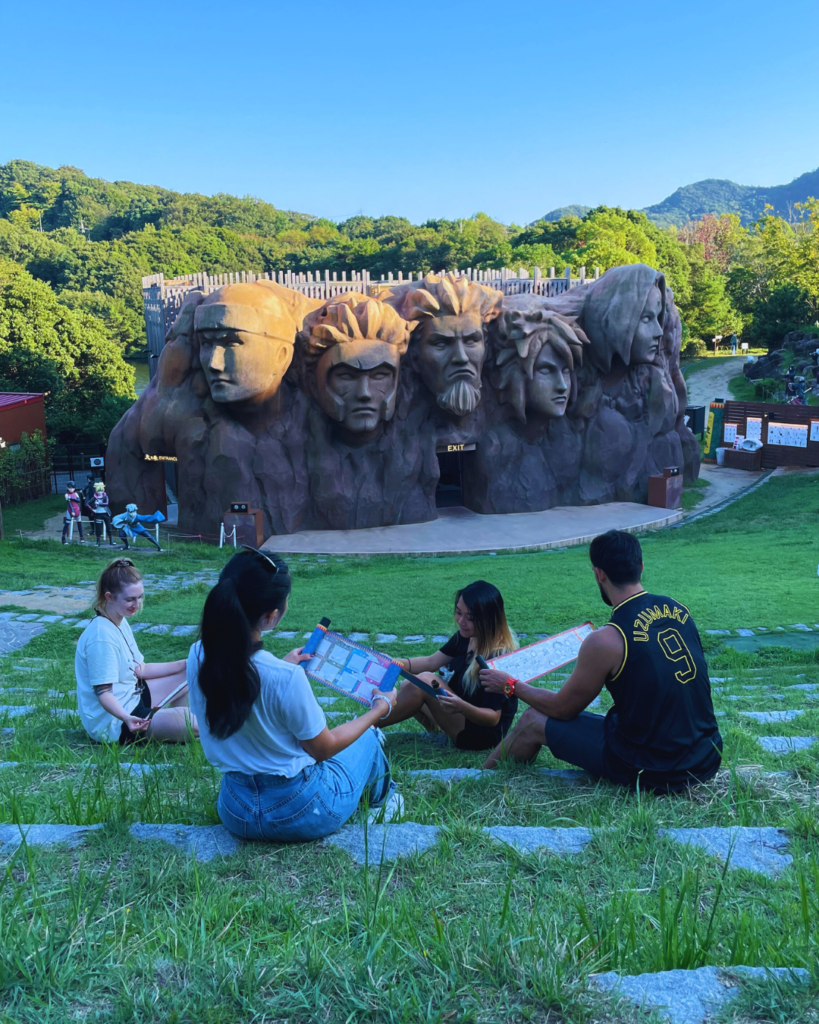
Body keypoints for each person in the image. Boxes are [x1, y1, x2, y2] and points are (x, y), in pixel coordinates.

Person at [480, 530, 722, 792]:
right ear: (640, 566)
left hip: (654, 770)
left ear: (599, 574)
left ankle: (477, 781)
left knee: (531, 720)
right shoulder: (679, 610)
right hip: (706, 757)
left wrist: (510, 685)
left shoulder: (605, 640)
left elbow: (562, 709)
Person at [187, 547, 401, 842]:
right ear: (271, 616)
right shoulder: (284, 678)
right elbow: (322, 749)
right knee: (368, 737)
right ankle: (384, 803)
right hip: (300, 811)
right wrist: (379, 709)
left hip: (236, 810)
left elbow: (242, 686)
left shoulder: (198, 655)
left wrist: (282, 666)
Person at [378, 580, 519, 751]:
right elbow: (430, 662)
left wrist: (461, 706)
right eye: (458, 612)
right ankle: (372, 724)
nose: (461, 621)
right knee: (409, 683)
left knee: (425, 681)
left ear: (489, 619)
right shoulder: (467, 636)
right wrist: (392, 663)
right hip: (461, 715)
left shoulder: (497, 657)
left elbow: (493, 718)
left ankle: (365, 726)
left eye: (470, 618)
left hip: (482, 736)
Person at [75, 558, 197, 744]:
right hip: (117, 723)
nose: (137, 604)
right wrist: (126, 718)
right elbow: (104, 693)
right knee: (197, 724)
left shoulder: (119, 620)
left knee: (190, 674)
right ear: (109, 597)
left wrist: (186, 663)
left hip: (134, 696)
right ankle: (176, 723)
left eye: (140, 597)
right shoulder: (101, 637)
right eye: (130, 599)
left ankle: (175, 723)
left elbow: (141, 669)